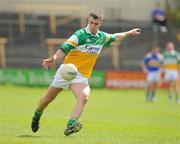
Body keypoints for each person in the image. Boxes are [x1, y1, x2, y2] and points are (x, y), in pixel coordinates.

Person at [31, 11, 141, 136]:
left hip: (80, 75)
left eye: (96, 23)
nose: (92, 25)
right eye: (90, 22)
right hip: (66, 71)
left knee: (84, 97)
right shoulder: (80, 35)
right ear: (88, 21)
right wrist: (54, 58)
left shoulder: (102, 37)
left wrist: (129, 33)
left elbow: (116, 36)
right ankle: (36, 116)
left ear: (100, 23)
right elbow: (63, 49)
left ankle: (71, 125)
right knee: (47, 100)